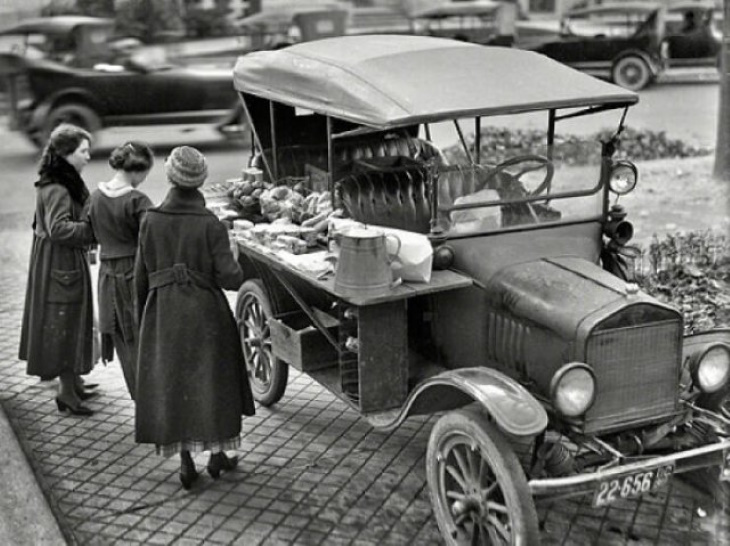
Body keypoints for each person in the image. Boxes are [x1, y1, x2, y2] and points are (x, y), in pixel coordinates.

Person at [134, 146, 255, 489]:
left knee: (176, 386)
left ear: (170, 177)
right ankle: (218, 455)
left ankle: (186, 461)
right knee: (213, 384)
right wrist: (234, 252)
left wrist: (143, 317)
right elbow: (230, 279)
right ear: (200, 182)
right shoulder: (211, 225)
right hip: (206, 314)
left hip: (163, 313)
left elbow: (140, 277)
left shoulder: (150, 221)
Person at [19, 123, 97, 416]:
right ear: (66, 154)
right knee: (65, 321)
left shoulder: (59, 180)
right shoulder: (59, 187)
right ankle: (67, 394)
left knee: (70, 319)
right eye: (83, 151)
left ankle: (73, 381)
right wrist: (92, 231)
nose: (88, 156)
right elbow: (58, 229)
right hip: (60, 263)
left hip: (58, 262)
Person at [88, 141, 154, 400]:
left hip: (106, 275)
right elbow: (152, 239)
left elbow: (91, 234)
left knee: (122, 340)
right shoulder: (138, 201)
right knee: (143, 336)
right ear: (137, 171)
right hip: (133, 272)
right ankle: (150, 400)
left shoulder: (95, 197)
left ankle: (139, 396)